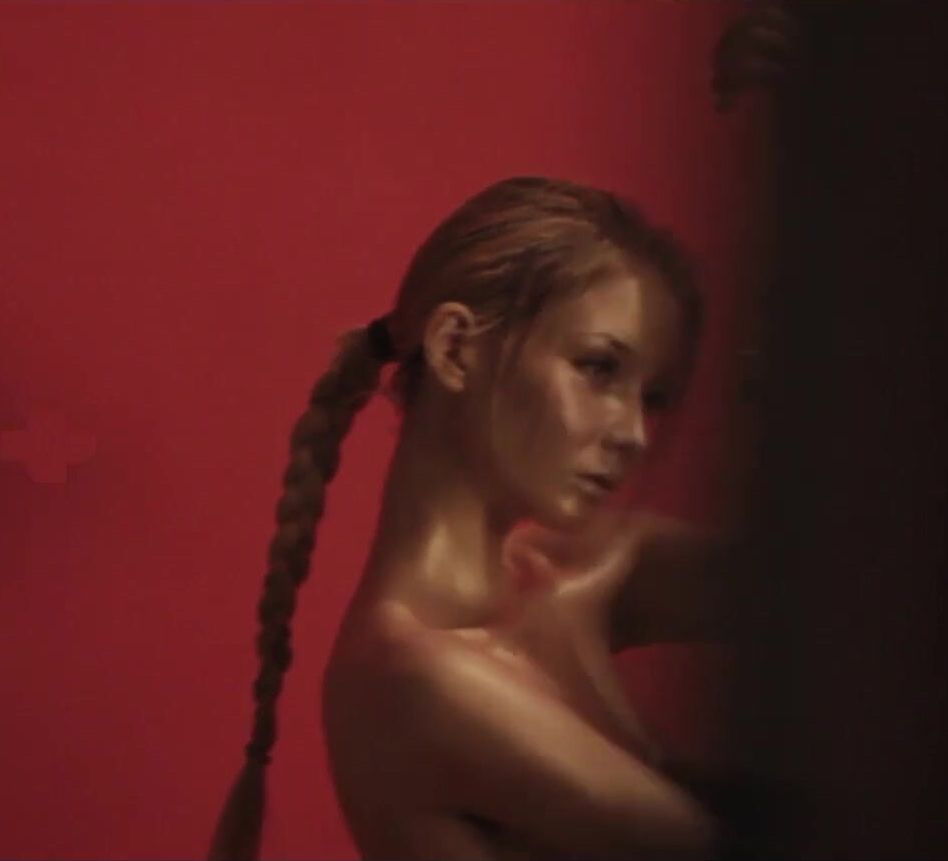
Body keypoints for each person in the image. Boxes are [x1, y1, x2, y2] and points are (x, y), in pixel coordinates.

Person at [206, 176, 740, 860]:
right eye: (598, 368)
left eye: (652, 396)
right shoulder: (414, 680)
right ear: (456, 348)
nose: (633, 433)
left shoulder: (581, 573)